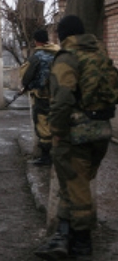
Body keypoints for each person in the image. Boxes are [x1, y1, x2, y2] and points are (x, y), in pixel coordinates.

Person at [34, 15, 116, 260]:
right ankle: (62, 236)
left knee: (77, 190)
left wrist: (56, 133)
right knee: (74, 185)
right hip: (102, 131)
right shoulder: (100, 54)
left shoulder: (67, 58)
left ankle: (82, 245)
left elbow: (61, 102)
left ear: (63, 36)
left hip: (75, 134)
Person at [21, 29, 59, 166]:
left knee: (43, 125)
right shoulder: (60, 53)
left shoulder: (37, 56)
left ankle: (46, 157)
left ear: (36, 41)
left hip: (43, 96)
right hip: (62, 97)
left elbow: (25, 77)